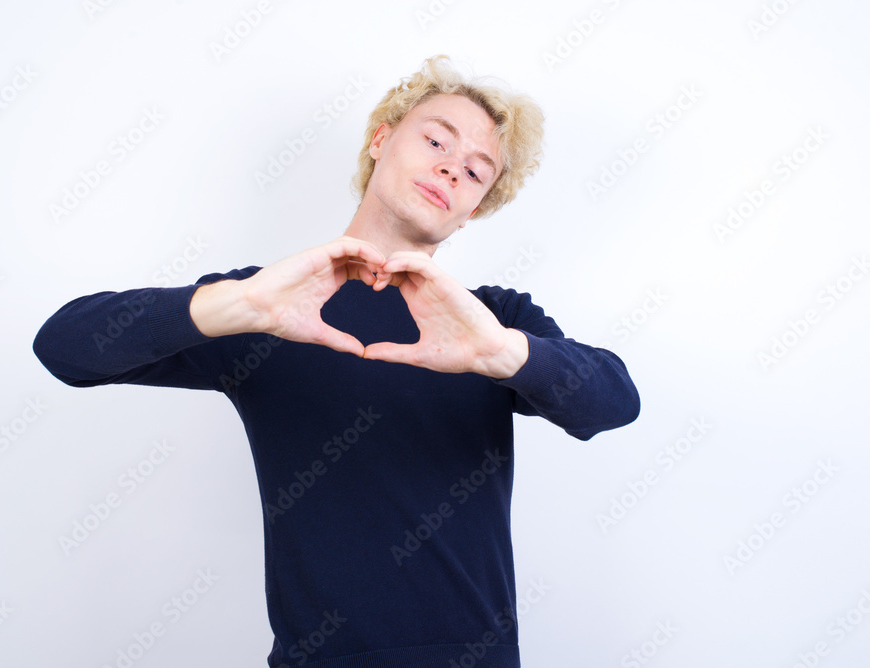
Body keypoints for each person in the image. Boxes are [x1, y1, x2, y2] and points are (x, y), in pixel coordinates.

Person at [33, 55, 640, 668]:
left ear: (475, 207)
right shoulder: (269, 303)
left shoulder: (491, 320)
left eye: (476, 171)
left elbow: (614, 403)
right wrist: (240, 302)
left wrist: (498, 352)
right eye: (436, 139)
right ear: (381, 139)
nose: (451, 168)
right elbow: (64, 347)